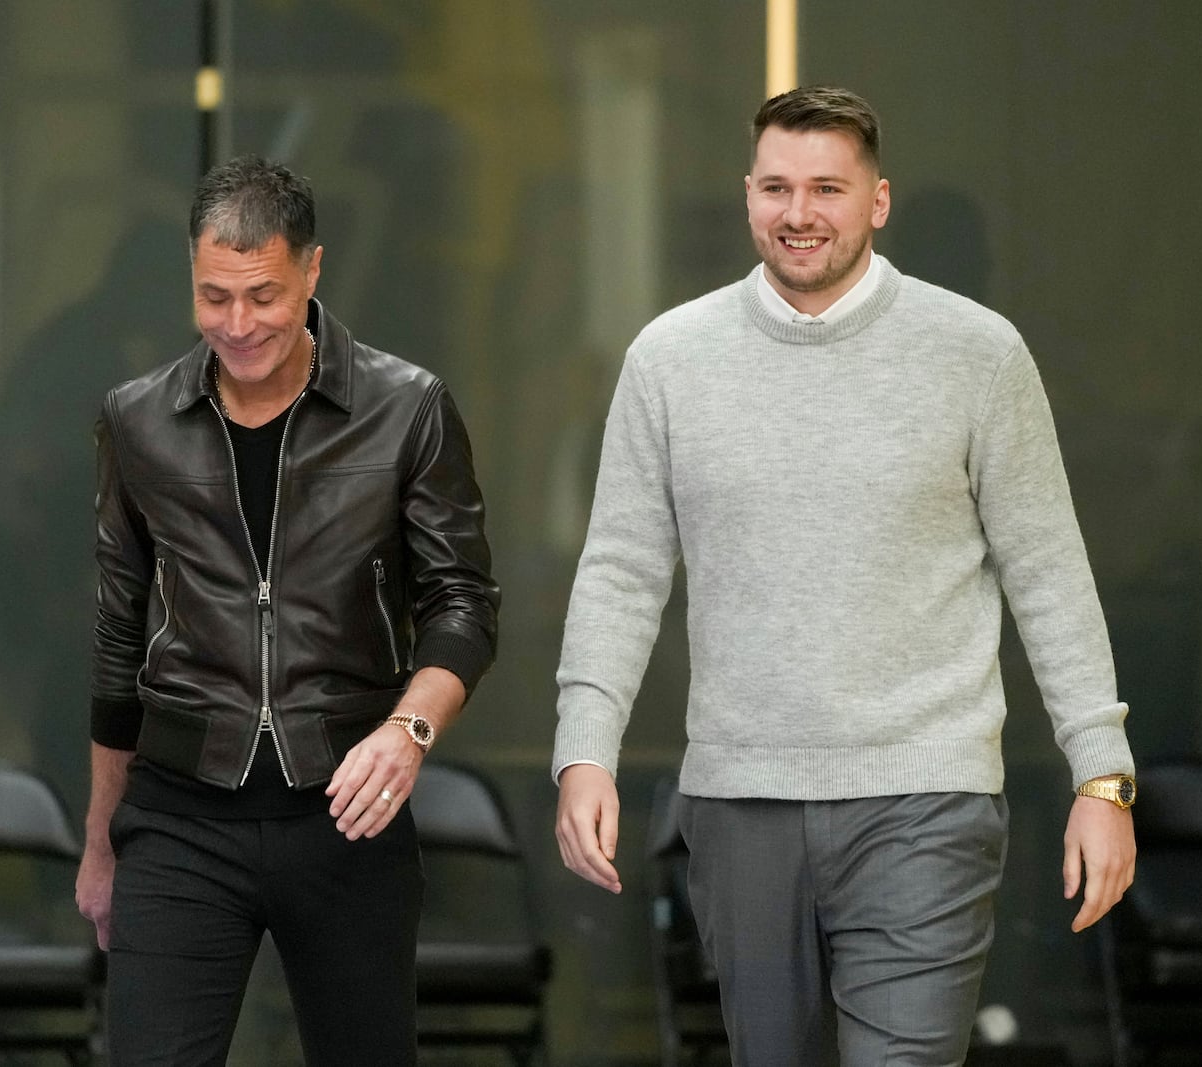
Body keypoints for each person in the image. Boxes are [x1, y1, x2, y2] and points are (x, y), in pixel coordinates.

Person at [552, 86, 1136, 1066]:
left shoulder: (976, 354)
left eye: (827, 187)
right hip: (740, 798)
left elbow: (1047, 570)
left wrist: (1102, 777)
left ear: (877, 200)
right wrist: (583, 748)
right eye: (777, 186)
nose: (798, 211)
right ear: (747, 196)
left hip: (926, 792)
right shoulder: (670, 359)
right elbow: (620, 569)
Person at [75, 155, 499, 1066]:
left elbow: (462, 602)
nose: (238, 325)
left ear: (312, 271)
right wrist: (101, 842)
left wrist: (408, 730)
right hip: (179, 816)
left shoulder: (405, 410)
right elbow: (117, 641)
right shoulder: (139, 420)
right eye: (213, 297)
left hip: (348, 812)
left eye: (262, 295)